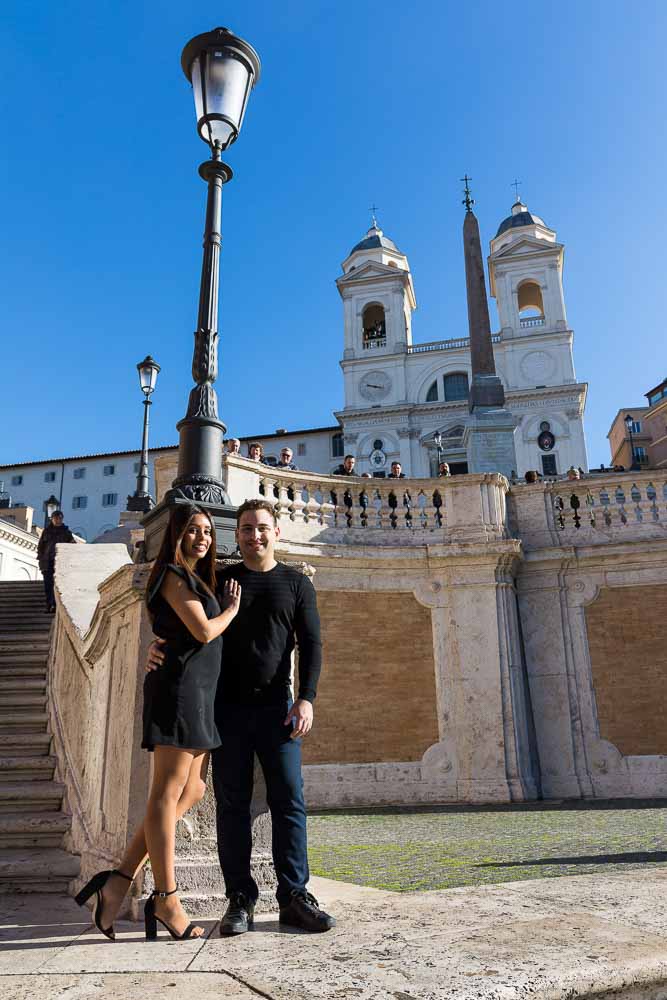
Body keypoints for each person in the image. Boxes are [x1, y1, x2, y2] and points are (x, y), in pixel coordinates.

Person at [146, 499, 335, 936]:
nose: (255, 536)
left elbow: (313, 645)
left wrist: (306, 698)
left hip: (278, 711)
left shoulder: (296, 583)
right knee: (231, 806)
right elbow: (179, 616)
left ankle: (294, 896)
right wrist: (157, 647)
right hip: (225, 711)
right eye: (247, 528)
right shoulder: (221, 580)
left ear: (276, 532)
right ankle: (239, 899)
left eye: (262, 528)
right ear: (240, 535)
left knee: (289, 802)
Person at [74, 505, 241, 943]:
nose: (201, 537)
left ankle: (118, 878)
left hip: (200, 693)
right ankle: (167, 897)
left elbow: (175, 631)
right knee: (166, 793)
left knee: (193, 790)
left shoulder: (198, 578)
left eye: (207, 531)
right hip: (179, 690)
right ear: (176, 534)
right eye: (192, 530)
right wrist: (230, 612)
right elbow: (203, 631)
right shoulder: (171, 574)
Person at [37, 510, 74, 612]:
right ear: (52, 519)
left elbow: (72, 546)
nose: (58, 520)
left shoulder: (66, 532)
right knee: (48, 585)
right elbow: (41, 547)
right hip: (47, 562)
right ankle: (49, 605)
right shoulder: (46, 531)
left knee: (58, 585)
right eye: (56, 518)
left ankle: (56, 605)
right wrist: (41, 558)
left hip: (60, 562)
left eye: (59, 518)